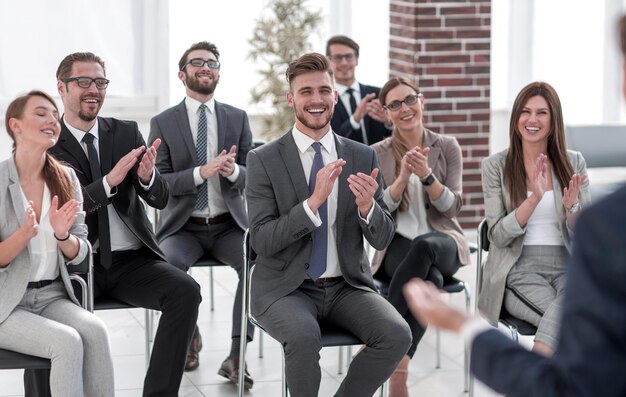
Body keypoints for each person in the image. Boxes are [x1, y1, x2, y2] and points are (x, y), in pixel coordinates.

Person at [245, 52, 411, 397]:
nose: (316, 100)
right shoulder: (263, 160)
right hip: (285, 288)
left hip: (346, 286)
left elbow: (382, 239)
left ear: (335, 95)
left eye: (324, 90)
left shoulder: (362, 155)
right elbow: (261, 241)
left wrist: (368, 208)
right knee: (305, 338)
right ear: (291, 99)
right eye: (306, 92)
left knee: (397, 333)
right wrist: (312, 204)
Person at [41, 52, 201, 397]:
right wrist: (110, 182)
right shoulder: (48, 145)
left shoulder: (126, 132)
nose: (93, 89)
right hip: (77, 265)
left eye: (100, 82)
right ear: (61, 87)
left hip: (132, 262)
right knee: (46, 320)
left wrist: (147, 178)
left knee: (186, 291)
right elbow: (64, 210)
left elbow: (159, 198)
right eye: (83, 81)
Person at [148, 41, 255, 387]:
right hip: (184, 228)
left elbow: (254, 174)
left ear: (219, 73)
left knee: (254, 263)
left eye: (213, 62)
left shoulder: (237, 117)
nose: (206, 67)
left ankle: (237, 356)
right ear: (183, 74)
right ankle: (189, 337)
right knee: (169, 266)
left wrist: (233, 173)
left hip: (228, 226)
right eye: (198, 62)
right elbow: (157, 183)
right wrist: (200, 173)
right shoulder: (163, 121)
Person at [0, 90, 114, 397]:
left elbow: (82, 255)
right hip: (6, 303)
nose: (52, 119)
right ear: (16, 125)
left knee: (95, 330)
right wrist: (23, 235)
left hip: (52, 296)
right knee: (67, 342)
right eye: (40, 113)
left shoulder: (66, 178)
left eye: (54, 114)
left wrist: (64, 237)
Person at [370, 76, 470, 397]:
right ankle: (400, 370)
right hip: (397, 247)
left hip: (441, 242)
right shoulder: (378, 152)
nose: (405, 109)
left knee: (426, 247)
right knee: (432, 282)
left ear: (421, 101)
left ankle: (379, 336)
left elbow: (452, 208)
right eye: (395, 105)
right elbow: (378, 211)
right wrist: (401, 179)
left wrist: (427, 176)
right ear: (387, 114)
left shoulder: (447, 146)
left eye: (409, 100)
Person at [479, 81, 590, 355]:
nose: (532, 119)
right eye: (525, 111)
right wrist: (533, 199)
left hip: (568, 267)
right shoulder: (495, 166)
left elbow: (587, 235)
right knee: (577, 324)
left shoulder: (574, 163)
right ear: (516, 117)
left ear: (554, 120)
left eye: (542, 113)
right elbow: (496, 235)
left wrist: (571, 206)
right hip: (518, 268)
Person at [326, 35, 392, 145]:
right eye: (338, 57)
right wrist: (355, 119)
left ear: (357, 59)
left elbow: (396, 137)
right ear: (329, 62)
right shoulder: (325, 101)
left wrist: (389, 122)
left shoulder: (378, 94)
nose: (344, 63)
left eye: (349, 57)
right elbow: (330, 141)